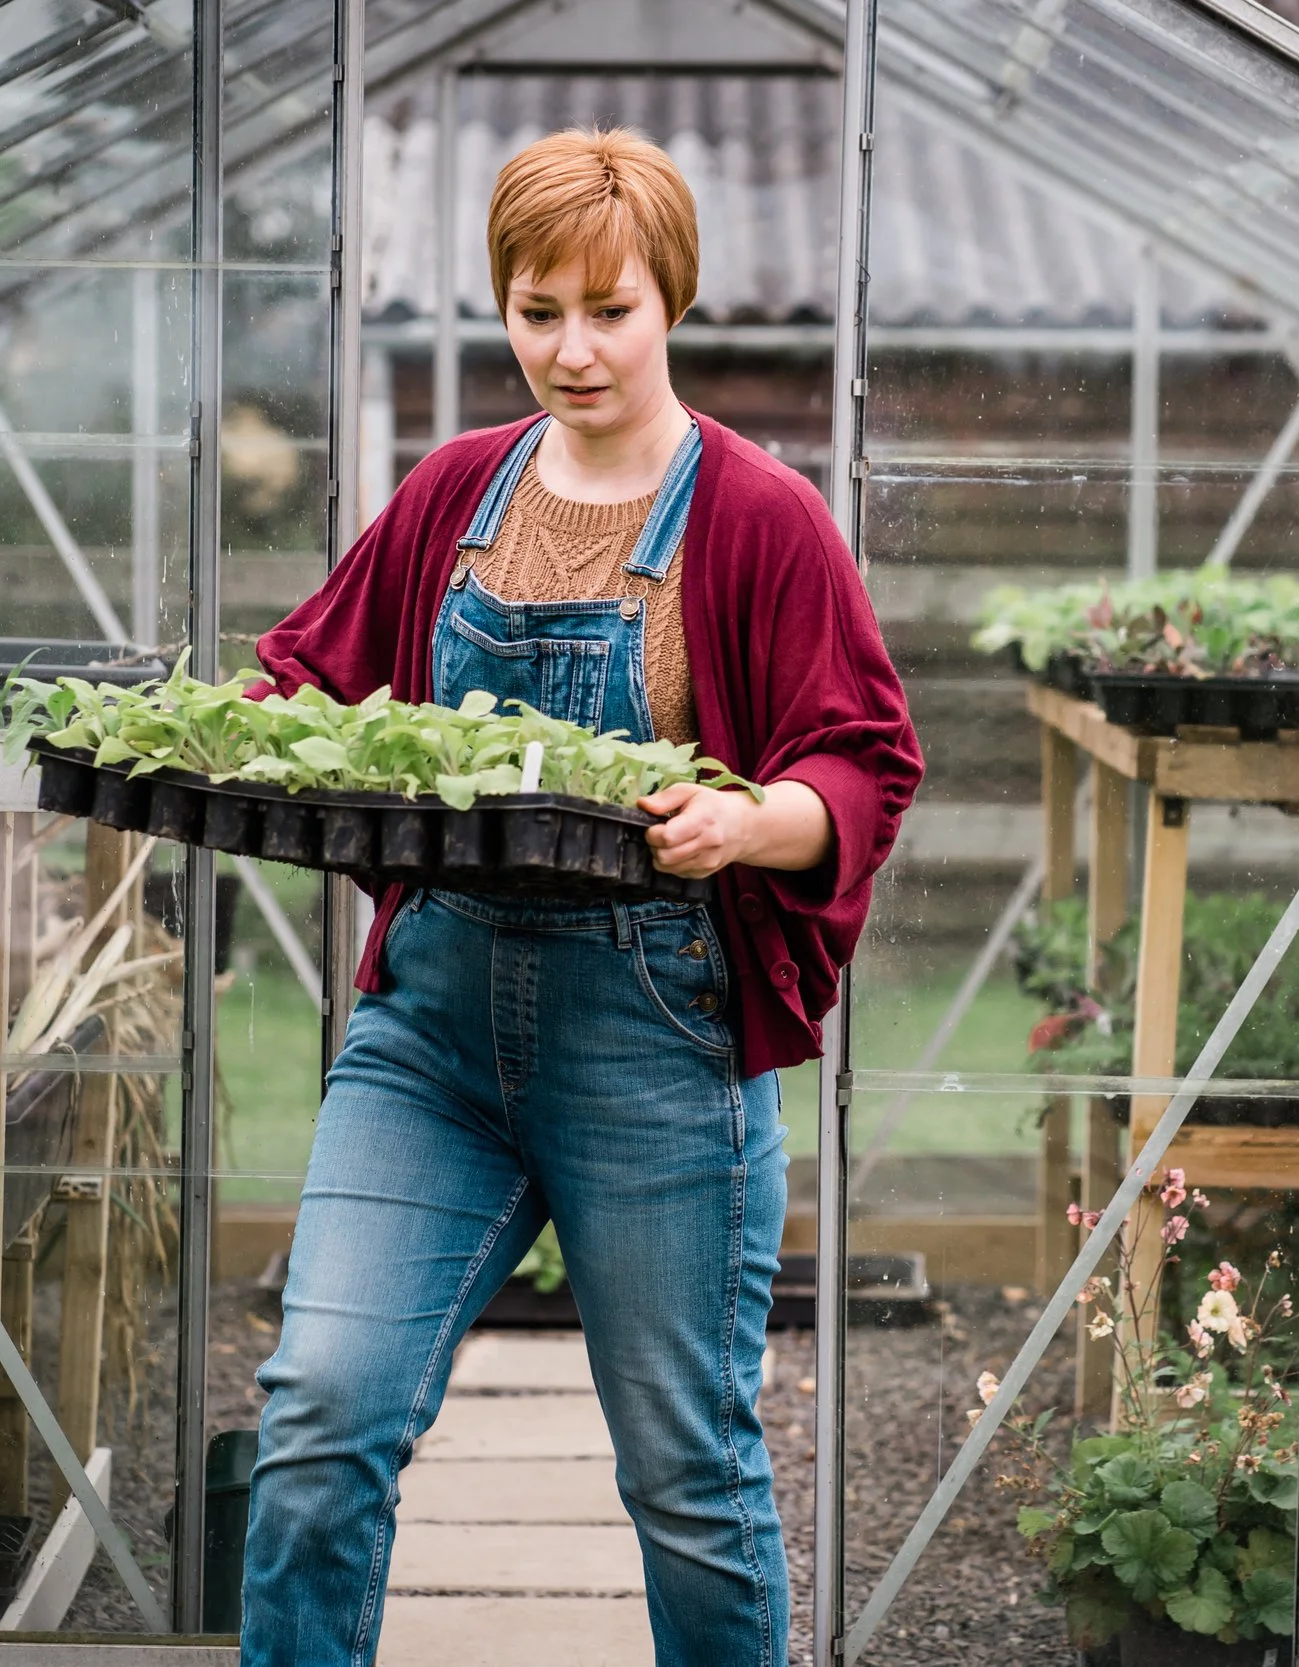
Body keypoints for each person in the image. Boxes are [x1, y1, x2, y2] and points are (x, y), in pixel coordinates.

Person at [239, 127, 921, 1667]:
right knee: (319, 1415)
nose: (571, 347)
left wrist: (756, 828)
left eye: (608, 309)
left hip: (657, 1041)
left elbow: (866, 760)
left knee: (687, 1476)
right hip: (434, 1034)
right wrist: (207, 744)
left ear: (670, 298)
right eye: (537, 310)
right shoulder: (452, 497)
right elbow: (302, 682)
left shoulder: (759, 517)